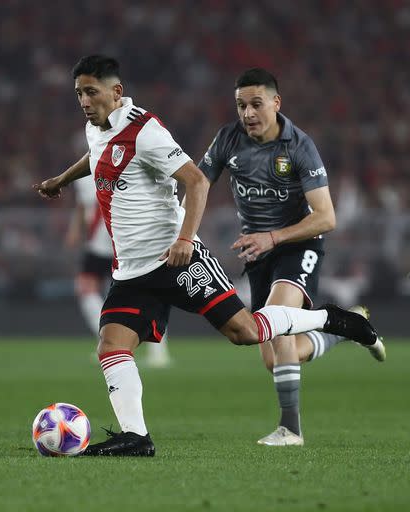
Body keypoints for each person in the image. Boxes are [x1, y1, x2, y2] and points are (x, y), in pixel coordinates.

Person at [35, 55, 381, 456]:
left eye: (91, 92)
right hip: (130, 270)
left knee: (246, 334)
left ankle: (334, 319)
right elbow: (97, 157)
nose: (83, 100)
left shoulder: (145, 131)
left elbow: (197, 182)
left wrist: (185, 239)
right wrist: (61, 179)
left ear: (116, 92)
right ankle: (136, 437)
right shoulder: (96, 129)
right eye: (79, 92)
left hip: (175, 258)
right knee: (111, 347)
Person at [197, 68, 386, 445]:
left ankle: (290, 429)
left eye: (255, 104)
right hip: (259, 253)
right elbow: (200, 181)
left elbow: (327, 217)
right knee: (277, 356)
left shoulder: (299, 146)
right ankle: (346, 327)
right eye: (240, 105)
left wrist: (273, 236)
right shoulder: (228, 139)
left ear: (276, 103)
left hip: (299, 245)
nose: (247, 113)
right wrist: (183, 231)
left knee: (280, 322)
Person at [67, 176, 172, 367]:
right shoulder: (113, 167)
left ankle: (114, 344)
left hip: (114, 244)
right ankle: (155, 352)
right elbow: (83, 206)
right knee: (146, 293)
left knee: (90, 290)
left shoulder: (92, 171)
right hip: (123, 244)